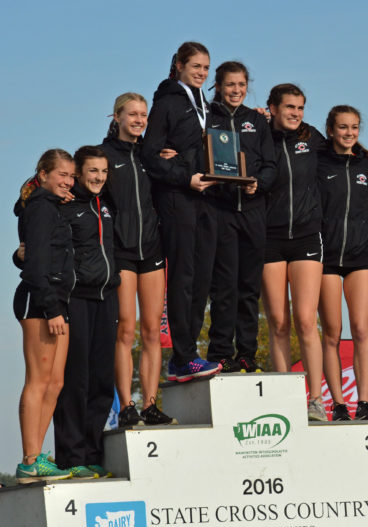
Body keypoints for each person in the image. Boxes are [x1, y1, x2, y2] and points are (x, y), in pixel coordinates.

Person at [142, 40, 221, 382]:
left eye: (206, 68)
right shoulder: (166, 104)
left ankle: (186, 356)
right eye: (196, 66)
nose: (202, 73)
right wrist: (183, 177)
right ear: (179, 66)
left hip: (208, 198)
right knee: (183, 277)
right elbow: (150, 155)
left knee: (202, 278)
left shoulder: (207, 106)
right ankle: (184, 355)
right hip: (178, 198)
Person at [102, 93, 173, 427]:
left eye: (143, 115)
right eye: (132, 114)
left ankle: (150, 405)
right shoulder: (104, 155)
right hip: (121, 251)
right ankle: (127, 406)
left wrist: (171, 160)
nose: (139, 120)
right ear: (116, 117)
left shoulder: (150, 154)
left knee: (152, 330)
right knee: (126, 328)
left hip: (152, 249)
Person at [203, 61, 277, 374]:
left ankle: (247, 353)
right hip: (219, 210)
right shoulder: (207, 116)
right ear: (219, 86)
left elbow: (271, 166)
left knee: (248, 287)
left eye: (241, 85)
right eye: (230, 84)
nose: (236, 90)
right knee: (223, 287)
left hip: (252, 211)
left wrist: (258, 183)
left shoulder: (256, 121)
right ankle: (220, 353)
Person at [54, 145, 122, 477]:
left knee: (102, 379)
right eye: (93, 170)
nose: (99, 177)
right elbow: (26, 206)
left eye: (104, 171)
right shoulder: (64, 206)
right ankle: (71, 456)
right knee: (75, 380)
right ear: (78, 173)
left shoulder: (106, 204)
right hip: (77, 298)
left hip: (107, 297)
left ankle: (93, 453)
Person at [263, 83, 328, 421]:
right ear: (272, 108)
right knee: (278, 321)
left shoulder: (312, 137)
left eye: (300, 107)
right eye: (289, 107)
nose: (296, 113)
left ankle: (316, 400)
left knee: (305, 320)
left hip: (306, 236)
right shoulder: (259, 136)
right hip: (269, 238)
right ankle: (285, 399)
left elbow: (351, 158)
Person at [13, 149, 76, 483]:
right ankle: (29, 460)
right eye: (62, 175)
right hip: (40, 303)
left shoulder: (54, 206)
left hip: (58, 302)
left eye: (71, 176)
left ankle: (38, 457)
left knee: (56, 382)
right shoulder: (39, 207)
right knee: (38, 381)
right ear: (43, 174)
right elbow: (35, 265)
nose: (68, 181)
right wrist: (51, 308)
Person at [317, 105, 368, 421]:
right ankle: (339, 405)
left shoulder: (366, 162)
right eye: (343, 127)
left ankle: (364, 403)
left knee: (361, 329)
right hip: (326, 257)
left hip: (360, 256)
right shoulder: (318, 161)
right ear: (331, 130)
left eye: (354, 127)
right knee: (332, 332)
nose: (349, 133)